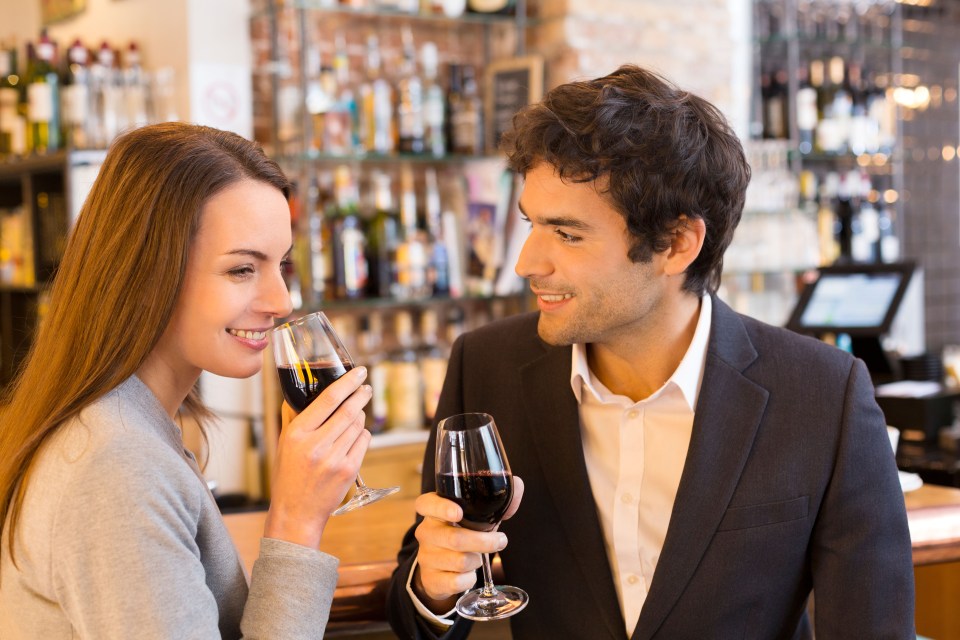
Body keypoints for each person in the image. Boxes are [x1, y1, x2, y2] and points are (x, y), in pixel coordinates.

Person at [386, 65, 915, 639]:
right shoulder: (486, 367)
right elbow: (423, 610)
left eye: (567, 234)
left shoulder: (821, 395)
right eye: (531, 225)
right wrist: (434, 587)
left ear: (676, 243)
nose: (527, 263)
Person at [0, 122, 373, 638]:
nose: (282, 301)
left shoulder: (131, 426)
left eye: (281, 265)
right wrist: (296, 520)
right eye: (243, 269)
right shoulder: (116, 464)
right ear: (148, 272)